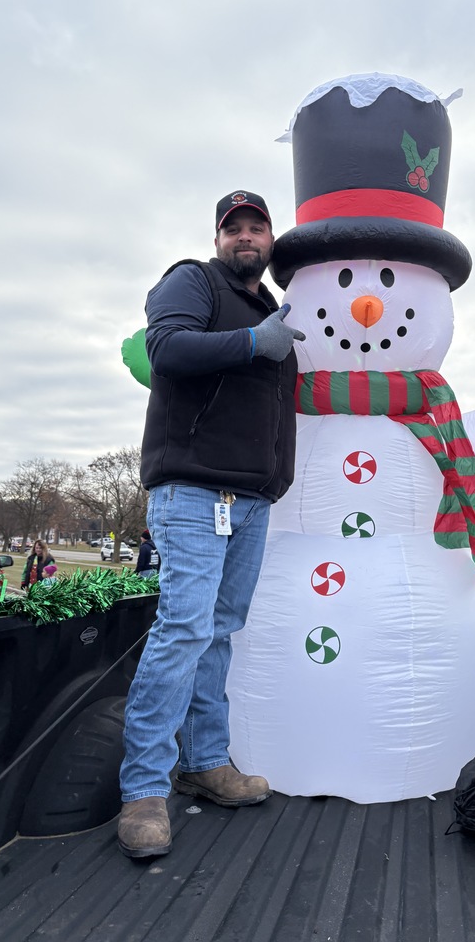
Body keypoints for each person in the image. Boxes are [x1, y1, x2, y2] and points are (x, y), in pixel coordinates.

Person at [117, 189, 305, 860]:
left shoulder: (271, 310)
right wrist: (257, 342)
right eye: (235, 228)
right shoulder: (190, 282)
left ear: (271, 239)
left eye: (257, 227)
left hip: (251, 500)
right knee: (186, 628)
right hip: (193, 491)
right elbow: (166, 349)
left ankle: (204, 763)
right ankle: (143, 792)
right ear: (219, 237)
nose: (246, 237)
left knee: (218, 634)